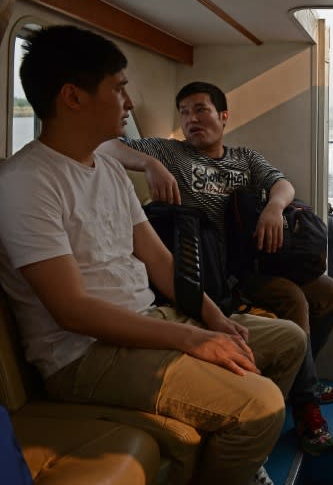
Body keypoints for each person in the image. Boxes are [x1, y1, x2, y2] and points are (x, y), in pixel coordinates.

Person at [0, 25, 307, 485]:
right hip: (84, 356)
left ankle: (239, 457)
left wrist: (215, 320)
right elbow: (72, 311)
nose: (127, 102)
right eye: (119, 88)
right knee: (258, 404)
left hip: (149, 320)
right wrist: (193, 339)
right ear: (73, 97)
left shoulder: (106, 167)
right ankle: (241, 448)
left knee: (287, 341)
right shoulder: (27, 181)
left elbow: (160, 261)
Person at [98, 81, 333, 455]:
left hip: (249, 263)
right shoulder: (168, 152)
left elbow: (282, 183)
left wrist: (274, 208)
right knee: (293, 298)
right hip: (208, 271)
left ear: (223, 116)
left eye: (200, 110)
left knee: (331, 293)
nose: (191, 119)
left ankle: (298, 378)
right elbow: (104, 146)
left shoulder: (244, 158)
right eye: (183, 112)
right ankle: (299, 406)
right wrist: (150, 164)